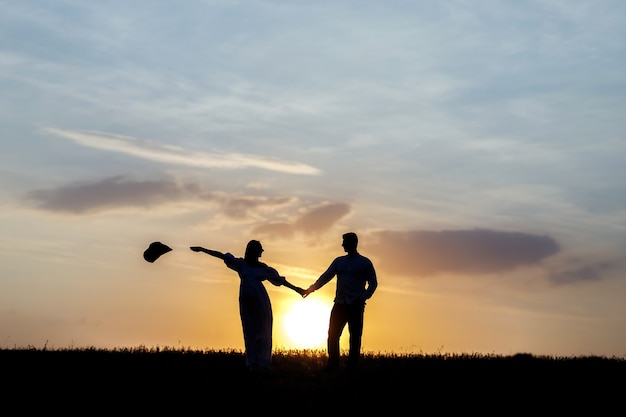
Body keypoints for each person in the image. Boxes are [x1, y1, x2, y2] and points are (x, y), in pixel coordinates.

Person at [190, 240, 304, 373]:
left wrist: (297, 289)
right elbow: (221, 255)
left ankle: (263, 364)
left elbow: (280, 281)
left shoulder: (263, 268)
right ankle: (252, 364)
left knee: (263, 332)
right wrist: (202, 249)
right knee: (249, 330)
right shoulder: (241, 264)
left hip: (260, 302)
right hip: (246, 302)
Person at [302, 232, 378, 371]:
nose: (342, 245)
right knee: (333, 335)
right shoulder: (339, 261)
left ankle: (352, 368)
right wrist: (311, 289)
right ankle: (332, 365)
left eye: (345, 242)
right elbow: (325, 277)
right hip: (340, 304)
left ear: (352, 243)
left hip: (356, 305)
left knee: (355, 337)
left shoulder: (364, 263)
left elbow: (373, 283)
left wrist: (364, 297)